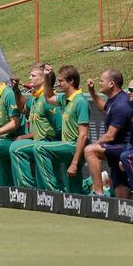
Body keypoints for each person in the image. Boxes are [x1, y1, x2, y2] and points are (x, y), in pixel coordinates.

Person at [33, 64, 90, 193]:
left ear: (71, 81)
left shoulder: (80, 101)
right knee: (73, 193)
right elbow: (48, 98)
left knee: (39, 148)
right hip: (67, 146)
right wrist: (47, 77)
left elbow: (83, 135)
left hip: (73, 146)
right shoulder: (65, 98)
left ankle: (52, 192)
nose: (58, 84)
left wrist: (75, 163)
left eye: (61, 81)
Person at [9, 64, 62, 189]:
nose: (30, 77)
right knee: (45, 184)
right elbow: (22, 108)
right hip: (39, 144)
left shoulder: (49, 100)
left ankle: (26, 190)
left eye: (33, 75)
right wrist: (16, 89)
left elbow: (59, 129)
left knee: (16, 148)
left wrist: (24, 137)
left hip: (48, 143)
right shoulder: (36, 98)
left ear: (43, 79)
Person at [82, 69, 133, 197]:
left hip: (126, 148)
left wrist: (94, 145)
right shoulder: (114, 100)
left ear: (111, 84)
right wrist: (92, 92)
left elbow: (110, 135)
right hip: (117, 149)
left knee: (90, 150)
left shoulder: (121, 103)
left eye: (101, 80)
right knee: (122, 197)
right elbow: (105, 109)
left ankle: (98, 193)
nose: (99, 83)